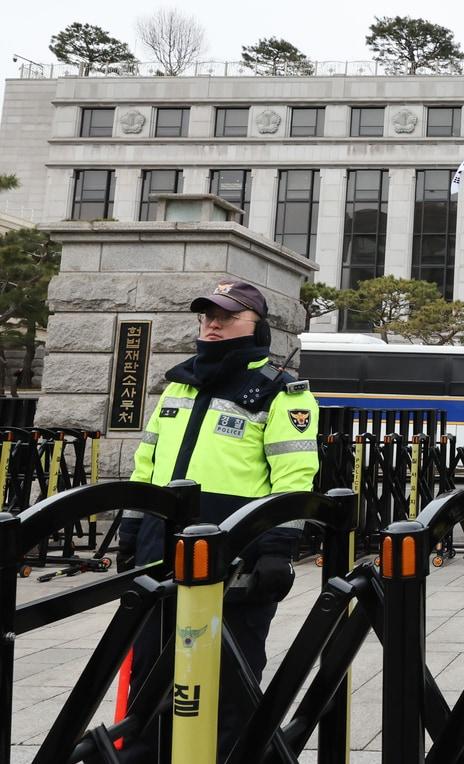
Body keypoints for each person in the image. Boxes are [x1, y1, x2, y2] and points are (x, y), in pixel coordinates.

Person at [118, 280, 319, 762]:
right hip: (160, 538)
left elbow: (295, 478)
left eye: (227, 316)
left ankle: (232, 756)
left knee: (232, 667)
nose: (213, 323)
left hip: (237, 548)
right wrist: (130, 529)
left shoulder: (281, 393)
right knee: (150, 662)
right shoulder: (178, 384)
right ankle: (149, 753)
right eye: (207, 315)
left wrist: (277, 550)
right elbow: (146, 464)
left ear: (256, 325)